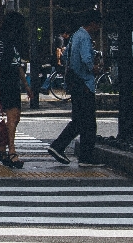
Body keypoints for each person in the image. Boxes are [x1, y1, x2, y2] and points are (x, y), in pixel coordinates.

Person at [47, 10, 104, 167]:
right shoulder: (85, 37)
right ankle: (61, 146)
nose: (98, 28)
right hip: (85, 83)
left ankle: (82, 156)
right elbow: (86, 59)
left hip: (75, 83)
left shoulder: (74, 36)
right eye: (97, 25)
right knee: (87, 121)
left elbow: (65, 57)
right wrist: (94, 68)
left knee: (81, 120)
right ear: (92, 23)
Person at [0, 11, 33, 169]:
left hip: (14, 83)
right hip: (5, 83)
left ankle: (2, 149)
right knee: (12, 118)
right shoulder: (1, 42)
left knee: (15, 119)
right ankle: (11, 151)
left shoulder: (14, 43)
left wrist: (26, 86)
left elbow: (18, 67)